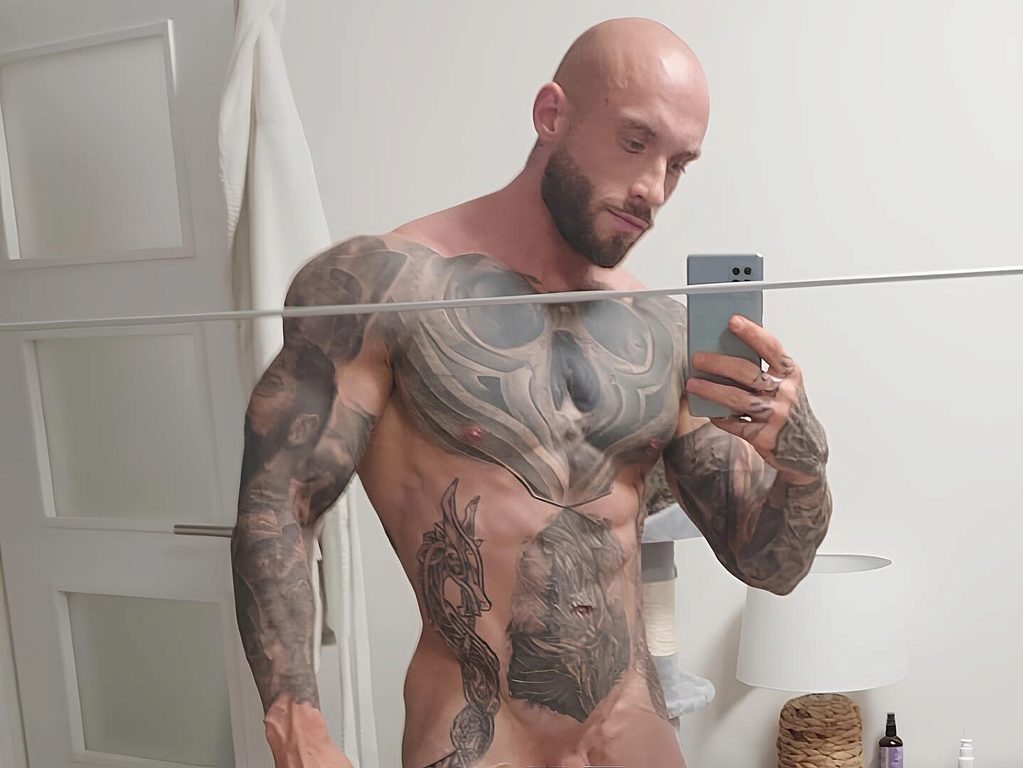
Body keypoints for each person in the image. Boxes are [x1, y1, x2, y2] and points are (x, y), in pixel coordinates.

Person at [231, 17, 832, 768]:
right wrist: (297, 728)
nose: (653, 189)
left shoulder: (663, 334)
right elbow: (277, 507)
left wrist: (803, 464)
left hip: (634, 740)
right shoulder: (382, 290)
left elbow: (769, 565)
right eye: (635, 141)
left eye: (678, 165)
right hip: (478, 737)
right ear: (551, 114)